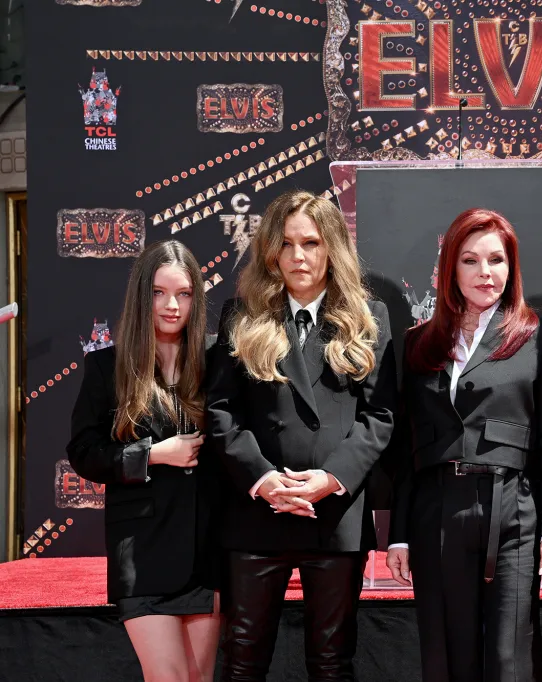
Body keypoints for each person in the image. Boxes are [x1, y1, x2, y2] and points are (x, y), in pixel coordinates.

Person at [206, 189, 397, 681]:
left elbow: (380, 417)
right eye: (286, 244)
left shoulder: (369, 320)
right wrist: (264, 480)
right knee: (242, 657)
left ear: (331, 247)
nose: (298, 256)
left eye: (310, 243)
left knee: (332, 660)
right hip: (256, 513)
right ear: (271, 250)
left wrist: (330, 478)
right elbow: (222, 412)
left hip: (333, 515)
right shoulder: (241, 316)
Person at [385, 208, 542, 682]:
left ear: (511, 268)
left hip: (513, 510)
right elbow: (405, 446)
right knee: (447, 657)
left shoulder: (538, 336)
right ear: (450, 268)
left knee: (510, 658)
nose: (485, 273)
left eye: (496, 260)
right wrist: (400, 533)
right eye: (470, 260)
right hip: (436, 512)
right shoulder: (417, 344)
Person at [67, 240, 221, 682]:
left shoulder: (216, 363)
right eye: (159, 292)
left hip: (207, 552)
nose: (172, 305)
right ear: (141, 296)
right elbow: (83, 452)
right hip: (142, 552)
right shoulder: (106, 367)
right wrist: (153, 455)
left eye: (184, 293)